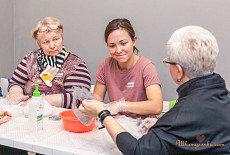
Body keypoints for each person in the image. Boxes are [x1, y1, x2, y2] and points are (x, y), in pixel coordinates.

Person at [79, 26, 230, 154]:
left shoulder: (180, 115)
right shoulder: (221, 97)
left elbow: (136, 150)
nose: (118, 50)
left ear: (179, 71)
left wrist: (104, 113)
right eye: (112, 45)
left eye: (168, 61)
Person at [7, 17, 91, 108]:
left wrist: (42, 100)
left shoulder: (75, 64)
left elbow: (80, 98)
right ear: (40, 44)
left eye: (56, 39)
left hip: (58, 117)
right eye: (46, 42)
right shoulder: (31, 58)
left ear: (61, 37)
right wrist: (16, 93)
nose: (52, 46)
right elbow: (15, 83)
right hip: (29, 111)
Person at [93, 18, 163, 119]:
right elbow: (97, 98)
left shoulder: (146, 67)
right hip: (117, 123)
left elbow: (156, 107)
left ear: (134, 41)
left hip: (142, 126)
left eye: (123, 43)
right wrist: (90, 105)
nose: (118, 50)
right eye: (112, 46)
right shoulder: (105, 65)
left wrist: (122, 105)